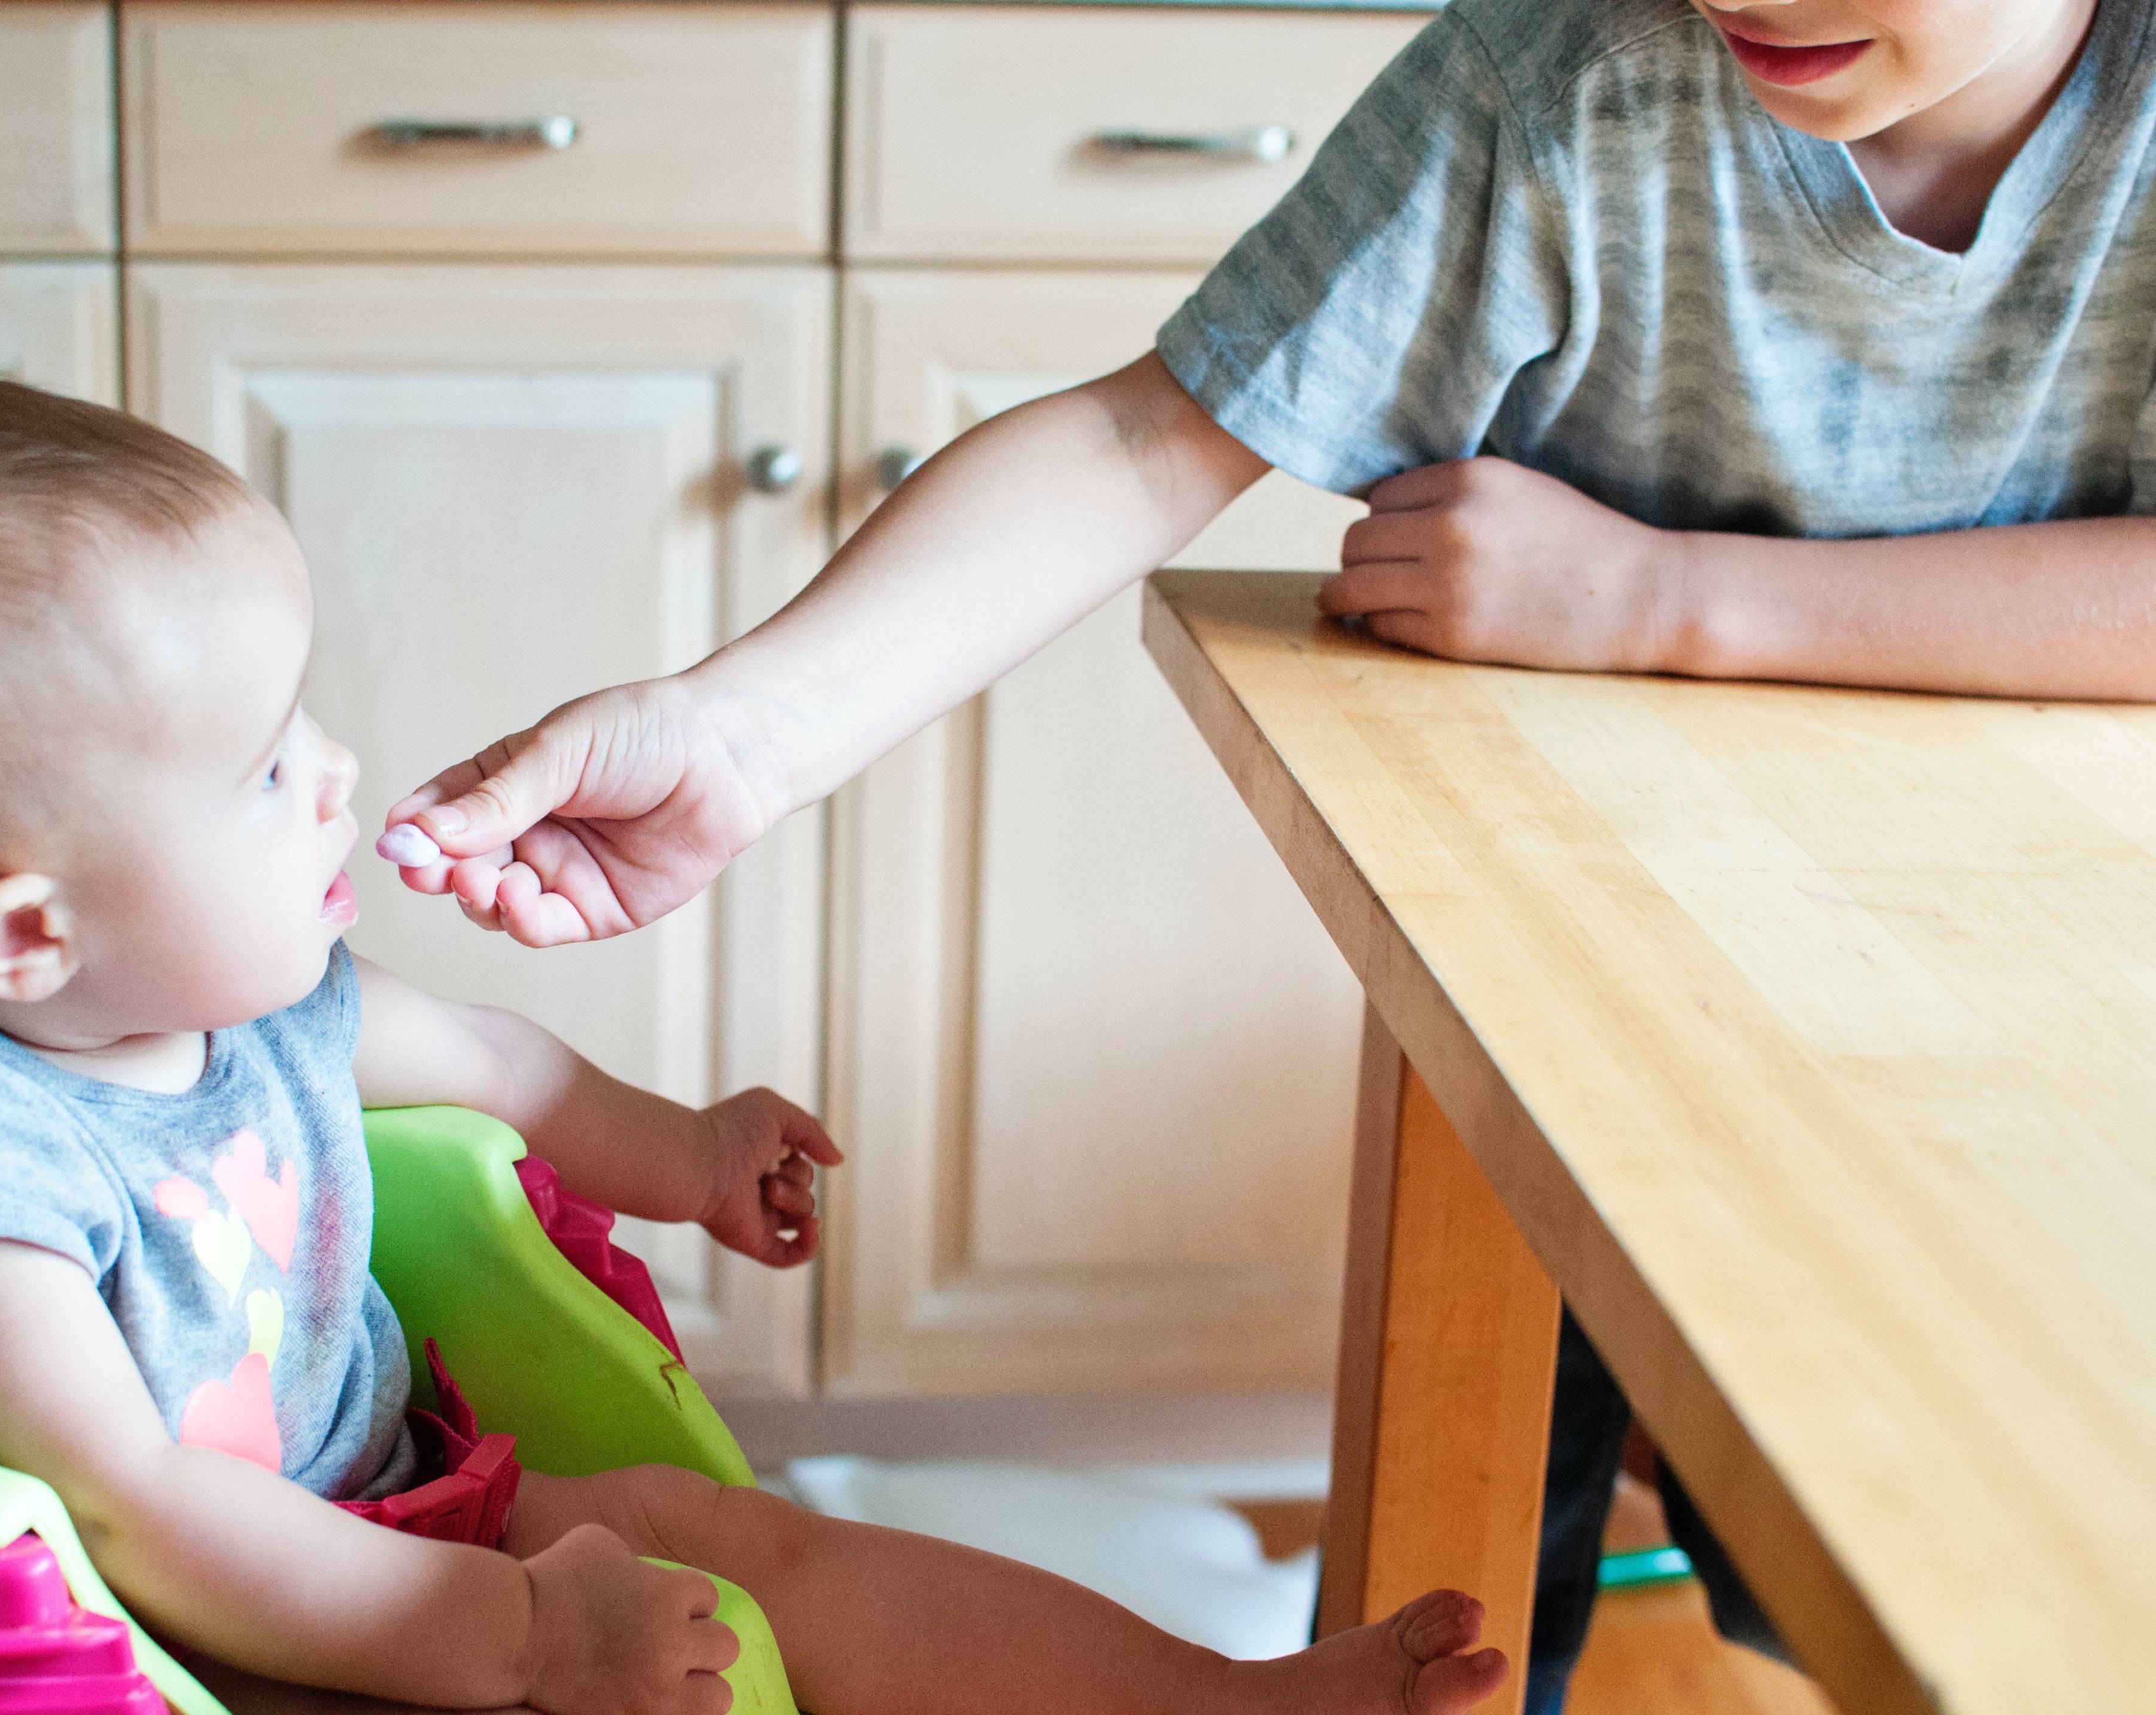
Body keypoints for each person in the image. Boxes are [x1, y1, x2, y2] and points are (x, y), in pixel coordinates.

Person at [374, 1, 2153, 1705]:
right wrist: (746, 736)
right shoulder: (1565, 74)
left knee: (1922, 1555)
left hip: (2038, 1013)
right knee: (1485, 1539)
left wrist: (1664, 597)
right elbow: (1153, 435)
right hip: (1585, 972)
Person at [0, 369, 1508, 1715]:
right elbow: (131, 1517)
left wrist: (691, 1154)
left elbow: (500, 1065)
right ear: (24, 934)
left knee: (735, 1540)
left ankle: (1213, 1700)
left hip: (375, 1515)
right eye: (257, 772)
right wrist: (526, 1638)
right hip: (127, 1651)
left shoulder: (223, 994)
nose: (333, 776)